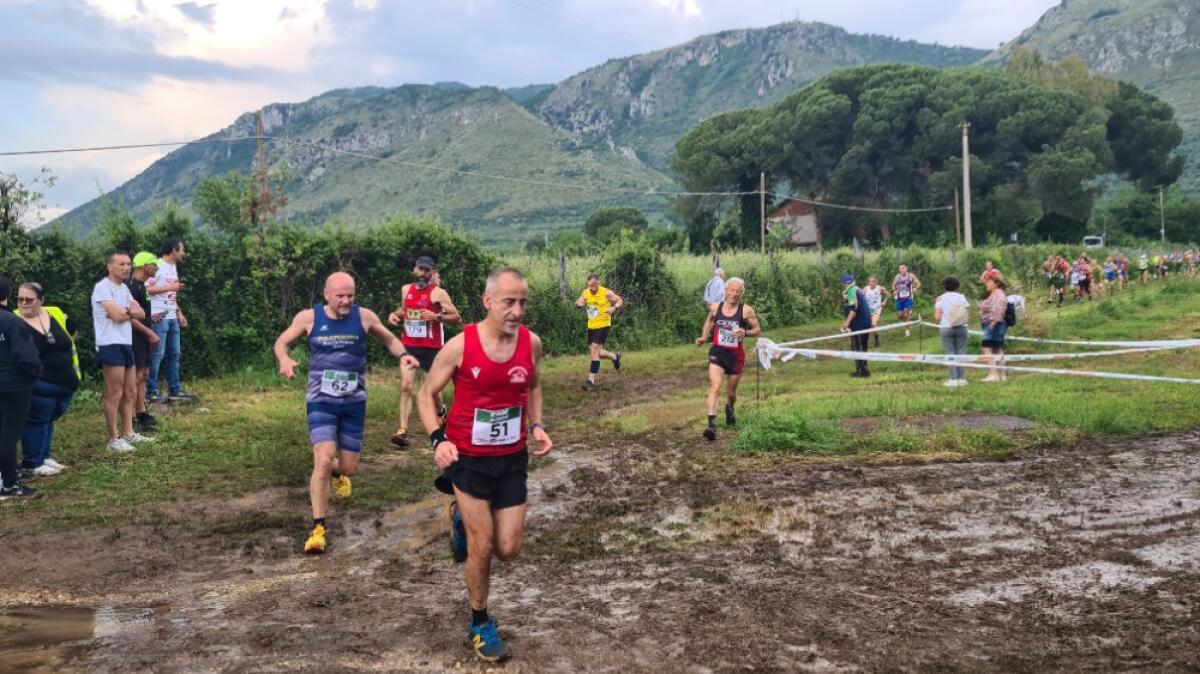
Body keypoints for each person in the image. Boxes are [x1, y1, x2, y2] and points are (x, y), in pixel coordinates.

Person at [418, 267, 553, 663]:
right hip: (469, 458)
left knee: (509, 548)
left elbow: (535, 386)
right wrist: (437, 440)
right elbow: (428, 395)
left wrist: (537, 424)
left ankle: (458, 516)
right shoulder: (461, 346)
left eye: (523, 303)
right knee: (483, 546)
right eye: (509, 302)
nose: (517, 311)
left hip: (511, 458)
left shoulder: (532, 344)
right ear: (487, 301)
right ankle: (479, 620)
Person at [274, 272, 418, 555]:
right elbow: (282, 341)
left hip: (354, 403)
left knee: (348, 467)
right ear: (326, 294)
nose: (346, 301)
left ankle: (339, 473)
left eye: (350, 295)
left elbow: (389, 340)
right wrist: (284, 359)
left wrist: (404, 356)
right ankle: (318, 528)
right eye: (340, 296)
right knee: (324, 460)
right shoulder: (309, 318)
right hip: (321, 400)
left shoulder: (364, 317)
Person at [386, 257, 461, 448]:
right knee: (406, 385)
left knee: (433, 391)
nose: (422, 274)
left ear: (431, 272)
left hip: (432, 348)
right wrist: (395, 315)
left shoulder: (438, 293)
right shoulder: (406, 290)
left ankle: (441, 413)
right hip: (409, 346)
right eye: (420, 269)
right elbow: (405, 310)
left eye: (426, 270)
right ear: (414, 270)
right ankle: (402, 430)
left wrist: (436, 316)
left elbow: (456, 317)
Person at [16, 283, 80, 476]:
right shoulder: (15, 321)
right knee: (37, 419)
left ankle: (43, 456)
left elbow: (72, 332)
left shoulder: (54, 314)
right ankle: (32, 462)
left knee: (49, 419)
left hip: (64, 382)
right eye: (20, 299)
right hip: (39, 383)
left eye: (29, 299)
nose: (24, 303)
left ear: (41, 300)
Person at [93, 252, 153, 452]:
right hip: (110, 344)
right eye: (121, 264)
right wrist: (127, 312)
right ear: (110, 266)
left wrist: (123, 312)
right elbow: (118, 316)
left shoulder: (125, 289)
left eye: (128, 264)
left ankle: (129, 433)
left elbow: (141, 313)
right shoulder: (102, 288)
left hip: (126, 343)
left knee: (130, 392)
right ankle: (113, 439)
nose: (126, 267)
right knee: (114, 393)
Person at [694, 277, 761, 441]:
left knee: (731, 393)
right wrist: (704, 336)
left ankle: (729, 408)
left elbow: (757, 330)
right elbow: (710, 320)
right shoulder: (716, 307)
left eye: (738, 292)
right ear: (725, 291)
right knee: (715, 387)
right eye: (732, 290)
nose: (735, 294)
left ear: (741, 294)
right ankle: (711, 425)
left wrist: (746, 333)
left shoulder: (746, 311)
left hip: (736, 355)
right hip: (718, 352)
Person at [0, 275, 43, 499]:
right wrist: (34, 374)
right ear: (7, 296)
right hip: (13, 387)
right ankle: (9, 486)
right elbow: (27, 357)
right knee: (8, 435)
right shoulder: (12, 322)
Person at [145, 238, 194, 403]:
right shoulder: (157, 266)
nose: (183, 253)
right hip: (159, 317)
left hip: (172, 317)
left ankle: (175, 390)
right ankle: (150, 390)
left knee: (174, 354)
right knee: (157, 354)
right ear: (174, 250)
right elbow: (145, 289)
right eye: (182, 250)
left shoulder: (173, 267)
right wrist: (170, 287)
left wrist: (179, 313)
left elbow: (171, 295)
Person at [127, 252, 161, 432]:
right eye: (154, 264)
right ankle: (131, 417)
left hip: (143, 336)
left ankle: (141, 413)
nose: (156, 267)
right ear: (143, 266)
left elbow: (141, 314)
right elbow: (129, 318)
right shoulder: (131, 287)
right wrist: (149, 332)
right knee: (134, 378)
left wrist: (150, 319)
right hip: (135, 337)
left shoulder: (142, 286)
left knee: (142, 376)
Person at [574, 274, 623, 391]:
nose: (592, 288)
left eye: (594, 286)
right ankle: (615, 357)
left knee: (595, 350)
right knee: (597, 353)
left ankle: (590, 381)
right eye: (590, 286)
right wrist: (578, 304)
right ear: (588, 284)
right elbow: (579, 300)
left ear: (598, 283)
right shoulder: (586, 292)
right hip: (591, 326)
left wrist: (614, 308)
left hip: (603, 325)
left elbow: (620, 300)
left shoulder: (606, 293)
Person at [934, 277, 970, 387]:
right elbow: (967, 315)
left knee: (950, 353)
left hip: (946, 328)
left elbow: (937, 316)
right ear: (957, 286)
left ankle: (953, 379)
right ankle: (962, 379)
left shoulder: (941, 299)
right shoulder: (962, 297)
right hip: (961, 327)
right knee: (961, 352)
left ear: (944, 286)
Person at [842, 274, 873, 378]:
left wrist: (846, 323)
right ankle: (863, 369)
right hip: (862, 322)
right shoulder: (856, 289)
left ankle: (862, 371)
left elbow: (854, 310)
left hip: (860, 323)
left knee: (857, 346)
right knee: (862, 346)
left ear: (845, 284)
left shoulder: (851, 290)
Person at [979, 276, 1009, 382]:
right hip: (996, 324)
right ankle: (1002, 375)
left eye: (989, 282)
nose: (986, 284)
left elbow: (1000, 308)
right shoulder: (995, 294)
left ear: (996, 284)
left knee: (987, 348)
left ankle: (993, 374)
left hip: (993, 324)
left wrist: (994, 322)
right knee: (997, 349)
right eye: (986, 282)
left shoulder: (998, 294)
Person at [891, 263, 921, 336]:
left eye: (903, 268)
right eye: (900, 268)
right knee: (900, 316)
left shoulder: (911, 276)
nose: (901, 270)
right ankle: (909, 315)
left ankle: (907, 329)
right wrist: (895, 290)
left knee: (906, 313)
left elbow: (919, 283)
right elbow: (893, 285)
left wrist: (916, 288)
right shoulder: (897, 277)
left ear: (906, 268)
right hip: (899, 299)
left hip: (908, 298)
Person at [862, 275, 890, 347]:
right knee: (867, 326)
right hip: (867, 310)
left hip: (877, 309)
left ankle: (876, 338)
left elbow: (888, 295)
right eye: (870, 281)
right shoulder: (865, 289)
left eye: (873, 281)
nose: (871, 283)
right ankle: (875, 336)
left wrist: (885, 301)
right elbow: (860, 298)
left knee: (873, 324)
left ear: (876, 282)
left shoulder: (880, 289)